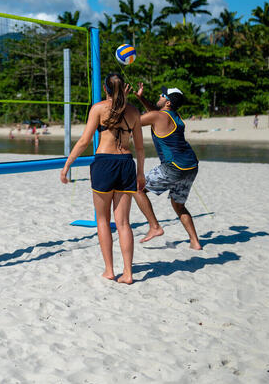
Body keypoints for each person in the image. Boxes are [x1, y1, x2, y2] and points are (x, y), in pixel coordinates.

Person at [60, 72, 144, 284]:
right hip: (126, 163)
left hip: (104, 163)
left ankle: (109, 270)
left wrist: (67, 165)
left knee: (102, 220)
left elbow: (84, 141)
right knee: (124, 223)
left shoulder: (98, 108)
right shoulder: (134, 111)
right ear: (124, 87)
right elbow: (141, 147)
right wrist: (140, 172)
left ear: (106, 89)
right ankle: (128, 273)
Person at [131, 84, 202, 251]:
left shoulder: (159, 116)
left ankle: (154, 226)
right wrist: (141, 98)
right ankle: (195, 242)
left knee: (135, 187)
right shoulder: (174, 115)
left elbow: (132, 122)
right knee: (178, 205)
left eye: (163, 95)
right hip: (191, 166)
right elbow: (155, 112)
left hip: (174, 167)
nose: (160, 95)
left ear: (168, 102)